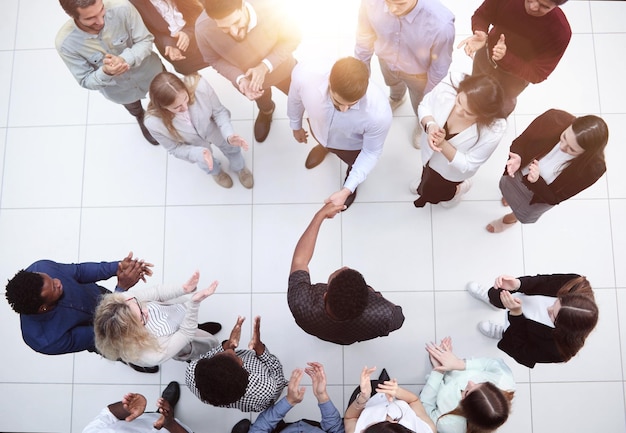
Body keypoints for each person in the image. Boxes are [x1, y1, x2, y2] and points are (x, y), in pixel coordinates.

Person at [288, 203, 405, 345]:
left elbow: (300, 260)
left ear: (325, 295)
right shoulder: (385, 315)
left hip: (319, 329)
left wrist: (320, 216)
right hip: (350, 337)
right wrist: (375, 295)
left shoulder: (301, 304)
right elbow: (399, 317)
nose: (345, 267)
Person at [288, 57, 392, 209]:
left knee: (353, 165)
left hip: (351, 147)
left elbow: (370, 153)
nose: (344, 110)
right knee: (322, 140)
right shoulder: (304, 74)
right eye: (338, 102)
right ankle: (323, 148)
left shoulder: (379, 113)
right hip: (318, 129)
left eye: (351, 105)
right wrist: (296, 125)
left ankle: (350, 186)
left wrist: (347, 189)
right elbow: (295, 99)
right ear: (330, 83)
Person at [56, 0, 164, 145]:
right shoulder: (66, 43)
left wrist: (125, 59)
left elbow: (145, 40)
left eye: (101, 10)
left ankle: (166, 113)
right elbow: (85, 80)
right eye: (90, 18)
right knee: (134, 107)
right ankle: (140, 117)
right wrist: (106, 72)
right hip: (120, 90)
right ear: (71, 15)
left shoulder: (123, 8)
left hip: (150, 72)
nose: (100, 21)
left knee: (164, 98)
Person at [5, 252, 152, 356]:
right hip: (105, 335)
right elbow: (101, 334)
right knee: (133, 349)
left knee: (145, 314)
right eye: (54, 288)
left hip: (100, 297)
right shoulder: (45, 340)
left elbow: (79, 272)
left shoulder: (41, 268)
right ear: (43, 307)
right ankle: (137, 361)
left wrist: (118, 267)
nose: (58, 282)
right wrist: (121, 290)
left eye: (52, 278)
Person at [486, 109, 608, 232]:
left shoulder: (593, 170)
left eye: (571, 149)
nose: (562, 147)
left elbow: (555, 198)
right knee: (507, 189)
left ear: (586, 153)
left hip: (537, 197)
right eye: (564, 137)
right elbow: (522, 141)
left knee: (521, 211)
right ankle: (508, 197)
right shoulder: (554, 119)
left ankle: (513, 217)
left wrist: (536, 181)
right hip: (517, 172)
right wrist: (518, 156)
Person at [195, 0, 300, 143]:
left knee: (301, 97)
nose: (234, 32)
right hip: (249, 83)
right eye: (224, 28)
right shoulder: (202, 29)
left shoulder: (271, 6)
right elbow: (213, 59)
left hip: (283, 70)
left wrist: (265, 66)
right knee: (263, 102)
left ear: (243, 5)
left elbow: (292, 39)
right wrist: (239, 78)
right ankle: (266, 111)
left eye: (237, 22)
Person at [355, 0, 455, 148]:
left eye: (401, 4)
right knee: (393, 84)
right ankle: (397, 98)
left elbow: (439, 68)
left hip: (418, 75)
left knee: (419, 103)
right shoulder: (371, 2)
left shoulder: (441, 24)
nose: (393, 9)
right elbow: (364, 36)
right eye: (388, 2)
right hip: (386, 61)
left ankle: (421, 121)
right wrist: (361, 76)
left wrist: (427, 104)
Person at [457, 0, 571, 116]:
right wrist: (481, 31)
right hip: (485, 56)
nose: (533, 6)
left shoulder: (560, 32)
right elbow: (482, 15)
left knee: (498, 108)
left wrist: (505, 57)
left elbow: (537, 74)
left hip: (513, 79)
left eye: (544, 6)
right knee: (474, 91)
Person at [145, 72, 254, 189]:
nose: (185, 107)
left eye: (185, 98)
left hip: (212, 128)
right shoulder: (153, 123)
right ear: (162, 107)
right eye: (177, 107)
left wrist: (229, 135)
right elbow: (173, 148)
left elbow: (219, 112)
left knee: (231, 148)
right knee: (206, 162)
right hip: (192, 144)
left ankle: (239, 167)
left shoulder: (200, 86)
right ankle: (216, 172)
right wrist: (197, 154)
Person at [410, 74, 505, 208]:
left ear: (484, 116)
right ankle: (423, 183)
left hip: (450, 172)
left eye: (469, 113)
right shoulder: (447, 88)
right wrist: (430, 125)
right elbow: (425, 106)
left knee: (442, 191)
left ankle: (458, 191)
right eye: (459, 101)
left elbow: (469, 164)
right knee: (426, 173)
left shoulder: (493, 131)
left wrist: (443, 144)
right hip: (429, 158)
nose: (459, 111)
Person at [467, 273, 599, 368]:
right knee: (501, 296)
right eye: (556, 302)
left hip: (522, 329)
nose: (548, 308)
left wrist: (516, 314)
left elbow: (523, 350)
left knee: (511, 335)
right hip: (526, 299)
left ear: (562, 329)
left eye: (553, 315)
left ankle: (503, 331)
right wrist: (519, 284)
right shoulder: (576, 284)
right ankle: (494, 302)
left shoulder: (561, 350)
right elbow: (545, 281)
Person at [94, 271, 221, 367]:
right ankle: (199, 356)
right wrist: (194, 303)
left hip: (178, 316)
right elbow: (185, 333)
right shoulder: (151, 354)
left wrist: (183, 289)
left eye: (139, 305)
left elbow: (157, 292)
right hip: (184, 338)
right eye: (142, 318)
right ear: (132, 334)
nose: (146, 310)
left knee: (194, 327)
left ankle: (196, 325)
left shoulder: (123, 301)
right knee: (203, 347)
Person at [186, 315, 287, 412]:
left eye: (221, 353)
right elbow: (278, 378)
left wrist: (228, 344)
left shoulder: (192, 372)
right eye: (236, 357)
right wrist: (260, 348)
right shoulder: (264, 386)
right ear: (245, 374)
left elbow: (210, 356)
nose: (232, 350)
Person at [420, 337, 515, 433]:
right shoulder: (504, 380)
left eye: (467, 392)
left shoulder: (448, 424)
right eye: (480, 383)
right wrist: (459, 363)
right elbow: (490, 364)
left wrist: (438, 371)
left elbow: (425, 408)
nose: (470, 382)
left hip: (434, 388)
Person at [230, 362, 345, 433]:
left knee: (261, 425)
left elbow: (259, 428)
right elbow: (337, 429)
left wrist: (289, 401)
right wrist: (322, 396)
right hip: (313, 428)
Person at [344, 366, 436, 433]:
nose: (362, 430)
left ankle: (382, 383)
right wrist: (398, 392)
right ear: (395, 422)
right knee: (384, 385)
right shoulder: (427, 430)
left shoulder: (358, 430)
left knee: (374, 385)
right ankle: (386, 384)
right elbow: (414, 401)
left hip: (367, 403)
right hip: (396, 401)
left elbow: (350, 418)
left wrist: (363, 398)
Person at [129, 0, 210, 75]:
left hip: (206, 40)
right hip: (180, 55)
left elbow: (203, 10)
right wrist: (169, 43)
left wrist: (188, 32)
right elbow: (148, 31)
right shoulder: (134, 4)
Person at [82, 381, 192, 432]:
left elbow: (108, 415)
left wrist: (126, 408)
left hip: (144, 420)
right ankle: (166, 414)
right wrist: (170, 423)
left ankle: (162, 412)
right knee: (167, 415)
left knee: (162, 412)